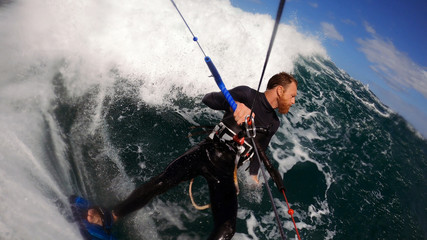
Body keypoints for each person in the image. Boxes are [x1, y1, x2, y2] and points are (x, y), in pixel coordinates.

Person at [112, 72, 298, 239]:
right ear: (280, 90)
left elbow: (260, 149)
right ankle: (113, 215)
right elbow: (208, 99)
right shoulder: (247, 94)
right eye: (292, 96)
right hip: (206, 152)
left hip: (225, 172)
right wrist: (234, 105)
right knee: (161, 182)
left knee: (227, 230)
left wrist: (253, 174)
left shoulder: (274, 123)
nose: (293, 101)